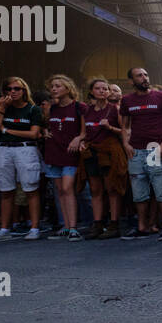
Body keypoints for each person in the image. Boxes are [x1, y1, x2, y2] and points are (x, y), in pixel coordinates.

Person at [120, 67, 162, 240]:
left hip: (155, 148)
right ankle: (142, 227)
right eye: (139, 76)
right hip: (136, 151)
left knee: (161, 190)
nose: (144, 78)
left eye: (146, 74)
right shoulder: (127, 100)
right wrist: (125, 144)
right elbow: (125, 126)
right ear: (131, 81)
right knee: (139, 192)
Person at [0, 77, 45, 240]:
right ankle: (5, 229)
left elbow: (33, 134)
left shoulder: (33, 109)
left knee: (30, 189)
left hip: (25, 149)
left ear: (24, 91)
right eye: (9, 89)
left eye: (17, 89)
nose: (12, 92)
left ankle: (34, 228)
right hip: (3, 150)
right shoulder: (2, 108)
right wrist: (2, 109)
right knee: (6, 190)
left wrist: (7, 131)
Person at [71, 77, 127, 240]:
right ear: (91, 91)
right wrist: (81, 141)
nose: (102, 91)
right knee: (95, 189)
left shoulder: (114, 109)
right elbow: (83, 132)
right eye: (98, 88)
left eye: (105, 88)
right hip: (92, 152)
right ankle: (98, 223)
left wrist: (109, 127)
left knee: (112, 189)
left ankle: (114, 224)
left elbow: (124, 131)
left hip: (110, 152)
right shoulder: (86, 110)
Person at [42, 74, 85, 240]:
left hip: (70, 152)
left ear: (68, 88)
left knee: (68, 188)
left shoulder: (79, 107)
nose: (53, 89)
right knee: (60, 190)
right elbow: (47, 125)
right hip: (54, 151)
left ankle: (74, 227)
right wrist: (45, 131)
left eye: (58, 86)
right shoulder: (52, 108)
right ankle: (66, 226)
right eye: (52, 86)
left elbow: (84, 131)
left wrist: (79, 138)